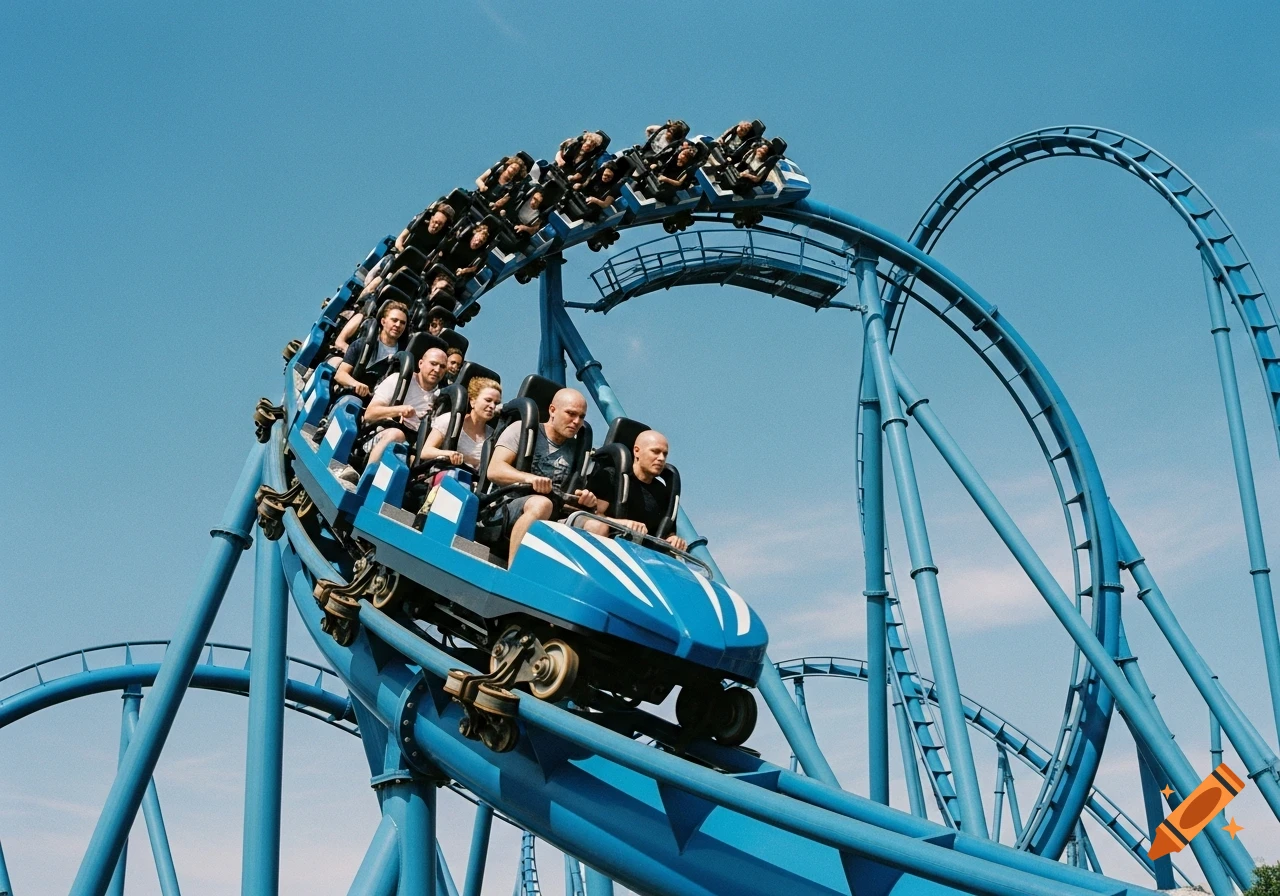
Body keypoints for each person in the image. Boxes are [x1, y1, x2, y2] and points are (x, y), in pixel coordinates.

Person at [487, 388, 600, 565]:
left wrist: (588, 501)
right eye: (571, 414)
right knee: (542, 503)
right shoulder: (522, 429)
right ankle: (515, 570)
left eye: (581, 416)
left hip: (553, 513)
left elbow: (573, 496)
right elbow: (494, 470)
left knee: (596, 525)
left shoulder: (578, 451)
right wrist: (529, 479)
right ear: (552, 410)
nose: (576, 421)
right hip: (504, 508)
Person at [590, 430, 688, 551]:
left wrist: (674, 539)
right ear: (637, 451)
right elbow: (592, 516)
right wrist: (623, 524)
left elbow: (666, 533)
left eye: (665, 454)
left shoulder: (662, 492)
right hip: (606, 545)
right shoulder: (610, 476)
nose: (661, 458)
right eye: (655, 452)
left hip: (640, 556)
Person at [361, 347, 449, 466]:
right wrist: (399, 410)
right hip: (380, 435)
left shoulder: (440, 399)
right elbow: (369, 414)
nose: (437, 369)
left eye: (442, 367)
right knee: (396, 435)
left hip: (412, 448)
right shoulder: (398, 379)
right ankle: (367, 476)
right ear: (421, 364)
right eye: (433, 364)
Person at [421, 377, 501, 468]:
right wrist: (448, 454)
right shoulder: (450, 420)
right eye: (488, 400)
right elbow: (425, 451)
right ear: (472, 401)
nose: (492, 406)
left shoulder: (492, 436)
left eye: (496, 403)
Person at [334, 301, 409, 398]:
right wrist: (356, 384)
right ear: (383, 321)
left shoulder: (401, 358)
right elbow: (340, 374)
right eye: (394, 320)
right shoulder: (362, 343)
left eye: (402, 323)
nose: (398, 325)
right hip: (348, 393)